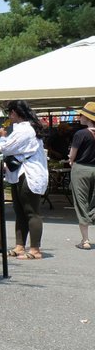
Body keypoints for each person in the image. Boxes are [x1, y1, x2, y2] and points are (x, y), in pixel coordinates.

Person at [0, 99, 49, 259]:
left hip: (29, 174)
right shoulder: (24, 128)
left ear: (14, 113)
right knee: (19, 212)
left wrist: (2, 137)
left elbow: (6, 148)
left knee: (31, 212)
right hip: (19, 174)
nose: (9, 117)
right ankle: (20, 246)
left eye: (10, 114)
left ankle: (35, 249)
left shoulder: (25, 130)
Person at [71, 101, 95, 250]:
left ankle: (85, 240)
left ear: (87, 117)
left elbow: (72, 154)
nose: (79, 117)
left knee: (81, 203)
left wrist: (70, 160)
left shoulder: (80, 134)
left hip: (81, 168)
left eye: (81, 114)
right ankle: (91, 216)